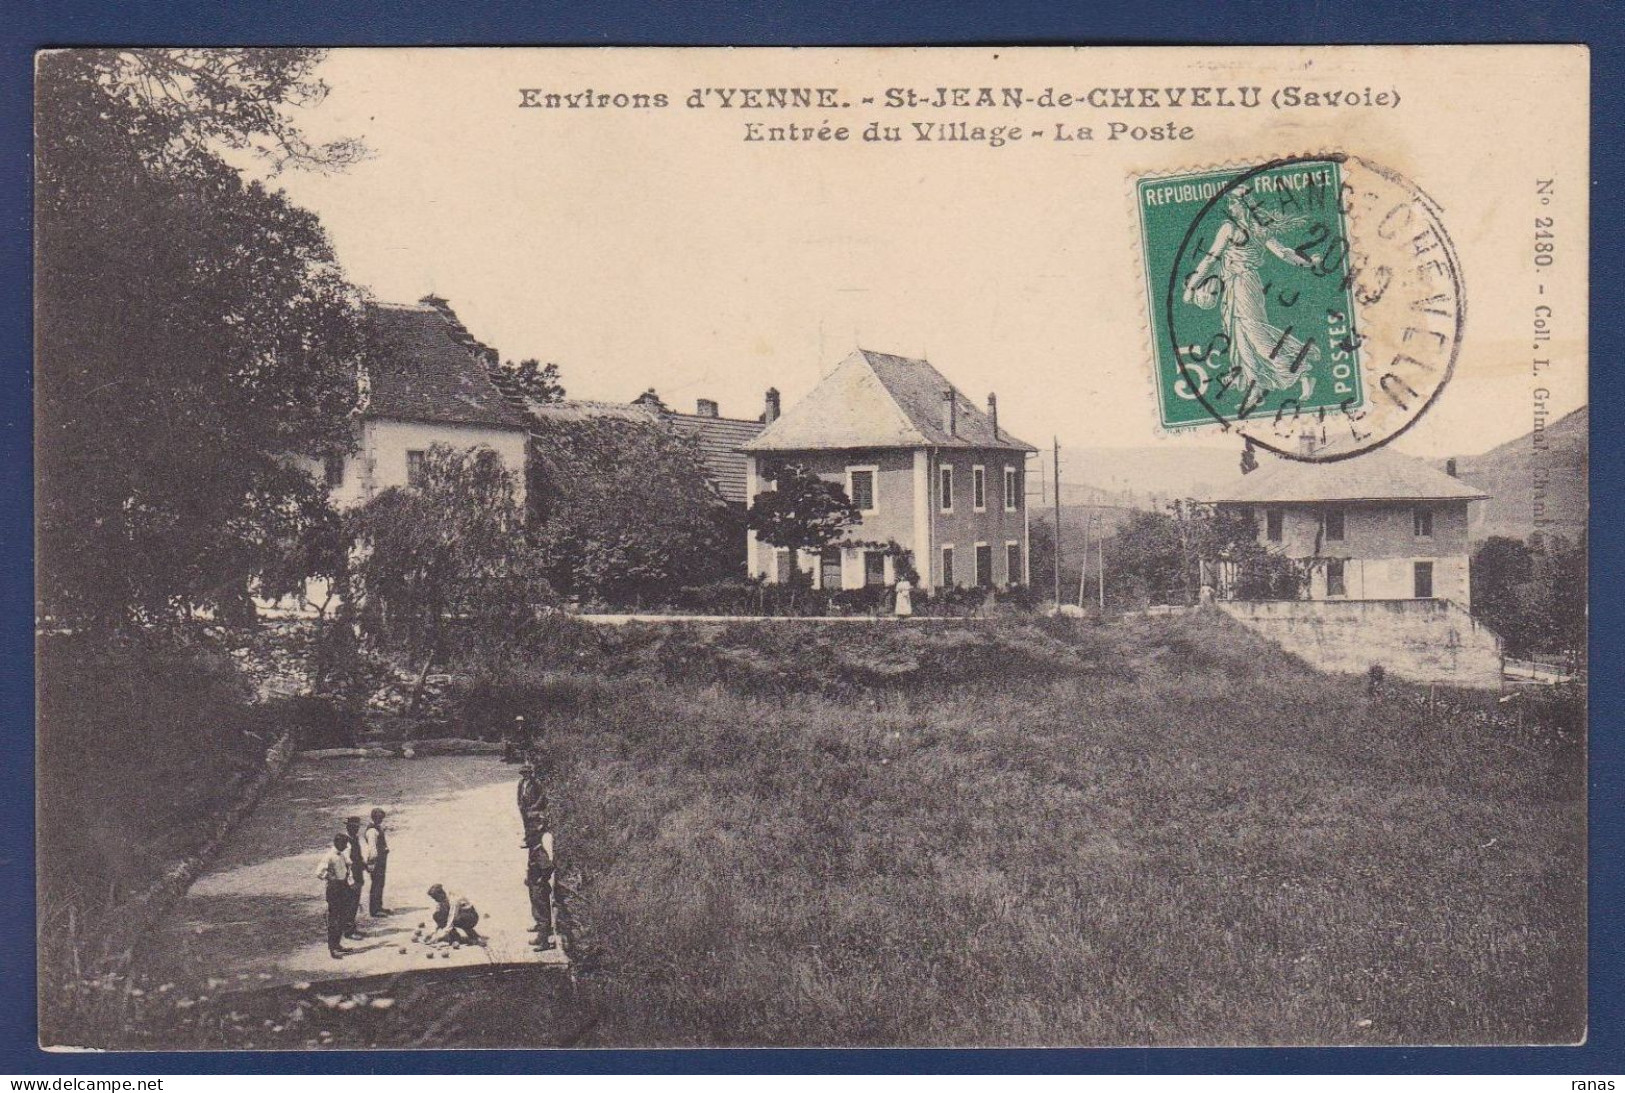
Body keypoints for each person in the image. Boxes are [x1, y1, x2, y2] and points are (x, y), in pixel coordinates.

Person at [1183, 185, 1322, 401]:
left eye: (1234, 203)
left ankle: (1302, 372)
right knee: (1240, 335)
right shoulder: (1259, 229)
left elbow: (1211, 258)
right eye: (1230, 203)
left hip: (1242, 285)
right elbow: (1284, 253)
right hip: (1242, 284)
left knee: (1255, 335)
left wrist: (1192, 286)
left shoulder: (1230, 229)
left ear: (1244, 206)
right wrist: (1308, 262)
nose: (1230, 207)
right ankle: (1254, 385)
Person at [315, 834, 352, 959]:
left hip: (342, 887)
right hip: (334, 889)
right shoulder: (329, 856)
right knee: (333, 919)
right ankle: (332, 948)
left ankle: (337, 944)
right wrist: (330, 877)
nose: (346, 846)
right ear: (338, 843)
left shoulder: (341, 855)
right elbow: (319, 871)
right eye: (344, 844)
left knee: (341, 918)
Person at [525, 836, 555, 946]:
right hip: (534, 885)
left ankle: (544, 942)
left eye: (528, 840)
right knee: (537, 909)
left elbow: (549, 868)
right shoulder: (533, 851)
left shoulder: (539, 852)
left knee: (543, 914)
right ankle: (540, 934)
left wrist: (541, 880)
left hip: (540, 887)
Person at [517, 757, 550, 850]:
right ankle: (528, 840)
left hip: (532, 806)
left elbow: (542, 794)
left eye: (527, 773)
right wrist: (519, 803)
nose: (525, 775)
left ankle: (533, 842)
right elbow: (519, 793)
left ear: (530, 773)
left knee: (533, 824)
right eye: (523, 773)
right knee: (526, 823)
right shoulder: (521, 782)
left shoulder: (535, 782)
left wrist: (536, 805)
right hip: (524, 806)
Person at [362, 807, 390, 916]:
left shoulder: (377, 828)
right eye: (380, 818)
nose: (381, 820)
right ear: (375, 818)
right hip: (376, 861)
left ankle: (379, 906)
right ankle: (374, 910)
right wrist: (373, 862)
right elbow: (372, 849)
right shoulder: (372, 831)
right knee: (376, 884)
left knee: (380, 883)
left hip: (381, 860)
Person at [341, 816, 366, 938]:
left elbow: (358, 857)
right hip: (351, 876)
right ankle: (348, 931)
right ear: (348, 827)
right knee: (350, 903)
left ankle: (352, 928)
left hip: (358, 874)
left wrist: (364, 865)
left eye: (357, 827)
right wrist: (350, 879)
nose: (355, 829)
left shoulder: (354, 839)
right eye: (353, 827)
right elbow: (347, 862)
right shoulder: (346, 842)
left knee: (355, 903)